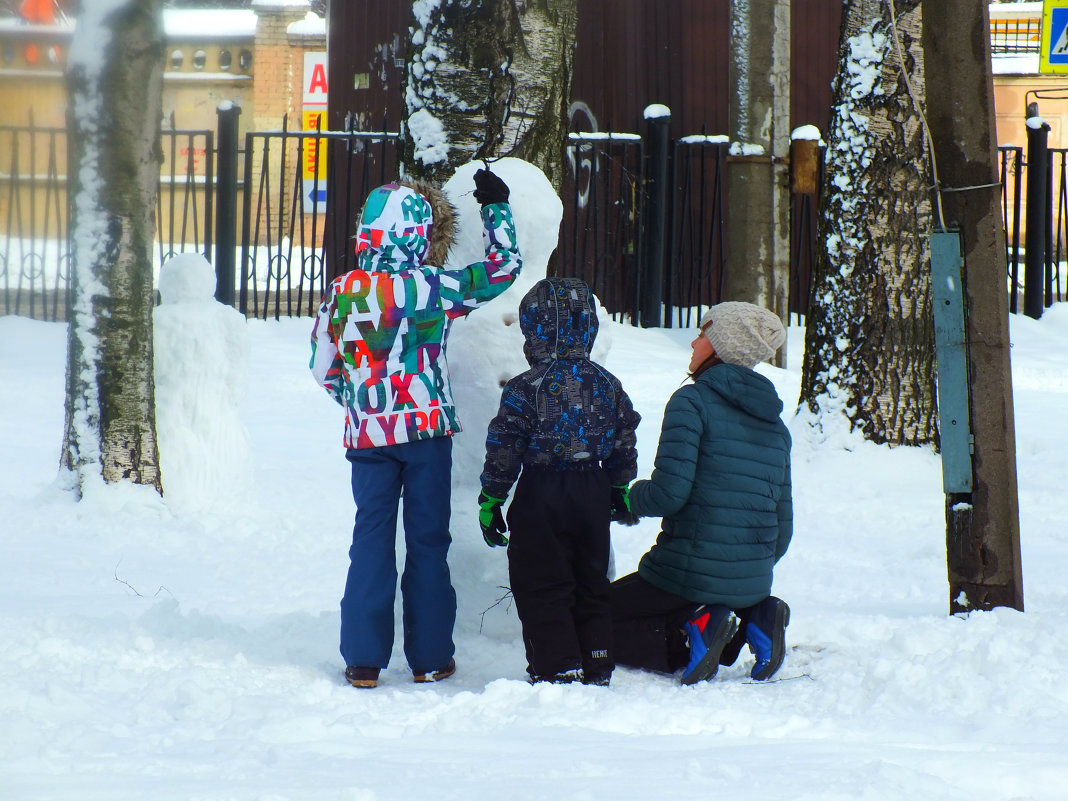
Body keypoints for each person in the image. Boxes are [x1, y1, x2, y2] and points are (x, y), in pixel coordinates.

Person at [310, 169, 520, 689]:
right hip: (427, 437)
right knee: (428, 543)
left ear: (366, 233)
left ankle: (363, 660)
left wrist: (359, 400)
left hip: (369, 440)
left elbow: (321, 365)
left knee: (371, 542)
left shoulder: (342, 293)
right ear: (420, 237)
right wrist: (496, 209)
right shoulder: (435, 286)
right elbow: (504, 267)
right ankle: (430, 658)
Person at [610, 301, 792, 685]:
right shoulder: (776, 426)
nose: (693, 342)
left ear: (722, 346)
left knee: (590, 621)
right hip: (755, 582)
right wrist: (744, 576)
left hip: (685, 574)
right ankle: (758, 615)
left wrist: (625, 498)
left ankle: (701, 627)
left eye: (703, 334)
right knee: (685, 606)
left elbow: (668, 495)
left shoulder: (692, 402)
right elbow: (784, 524)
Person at [478, 277, 641, 686]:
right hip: (592, 488)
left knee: (541, 579)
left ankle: (557, 664)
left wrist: (492, 497)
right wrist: (619, 484)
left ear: (532, 329)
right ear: (589, 326)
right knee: (591, 577)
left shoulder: (524, 388)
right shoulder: (607, 383)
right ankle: (598, 658)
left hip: (542, 492)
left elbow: (505, 444)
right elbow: (625, 435)